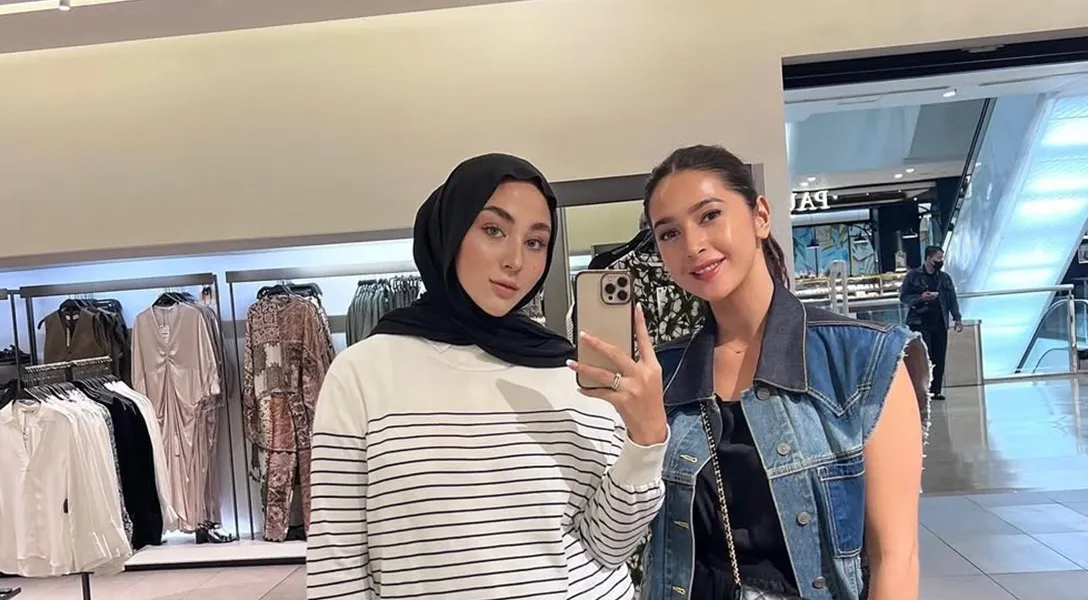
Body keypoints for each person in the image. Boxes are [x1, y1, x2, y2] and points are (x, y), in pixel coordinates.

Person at [307, 153, 670, 600]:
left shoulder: (572, 373)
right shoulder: (363, 374)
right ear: (451, 231)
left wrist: (646, 439)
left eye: (535, 242)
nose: (515, 260)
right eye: (494, 230)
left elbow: (608, 546)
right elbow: (337, 566)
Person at [611, 145, 926, 600]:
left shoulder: (863, 359)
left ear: (760, 216)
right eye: (670, 233)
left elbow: (896, 557)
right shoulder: (666, 375)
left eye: (709, 216)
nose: (693, 246)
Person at [899, 246, 963, 400]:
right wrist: (920, 298)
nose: (941, 261)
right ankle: (923, 389)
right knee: (924, 356)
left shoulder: (945, 278)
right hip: (919, 322)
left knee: (939, 356)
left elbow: (952, 299)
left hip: (940, 322)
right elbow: (904, 297)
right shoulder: (913, 276)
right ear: (928, 258)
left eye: (941, 258)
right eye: (938, 258)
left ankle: (936, 390)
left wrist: (957, 318)